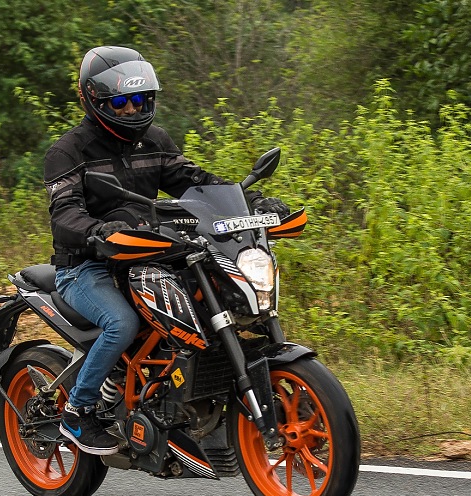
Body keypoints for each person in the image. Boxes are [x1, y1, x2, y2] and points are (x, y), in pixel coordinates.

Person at [45, 45, 289, 455]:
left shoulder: (154, 141)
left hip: (150, 255)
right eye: (120, 102)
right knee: (120, 324)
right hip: (88, 267)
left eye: (139, 100)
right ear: (95, 100)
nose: (131, 109)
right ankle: (78, 412)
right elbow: (64, 215)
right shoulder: (68, 152)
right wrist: (99, 230)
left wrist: (256, 202)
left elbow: (199, 185)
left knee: (207, 301)